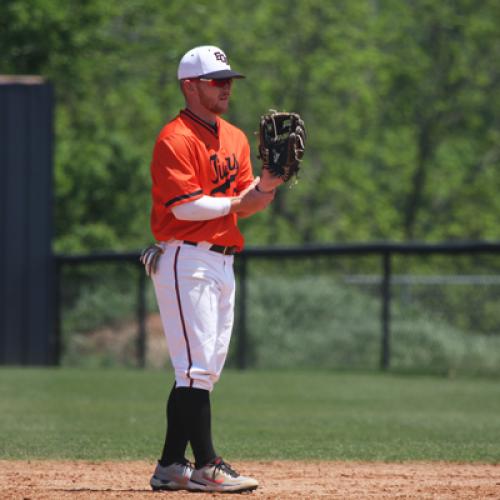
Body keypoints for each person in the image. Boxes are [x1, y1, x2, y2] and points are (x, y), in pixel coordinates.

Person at [144, 45, 283, 493]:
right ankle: (207, 465)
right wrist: (240, 200)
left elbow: (248, 203)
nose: (225, 87)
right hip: (186, 255)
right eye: (215, 80)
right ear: (189, 86)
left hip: (223, 259)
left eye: (227, 80)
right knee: (195, 369)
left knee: (201, 371)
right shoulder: (175, 139)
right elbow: (185, 208)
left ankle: (170, 465)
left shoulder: (237, 138)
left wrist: (269, 183)